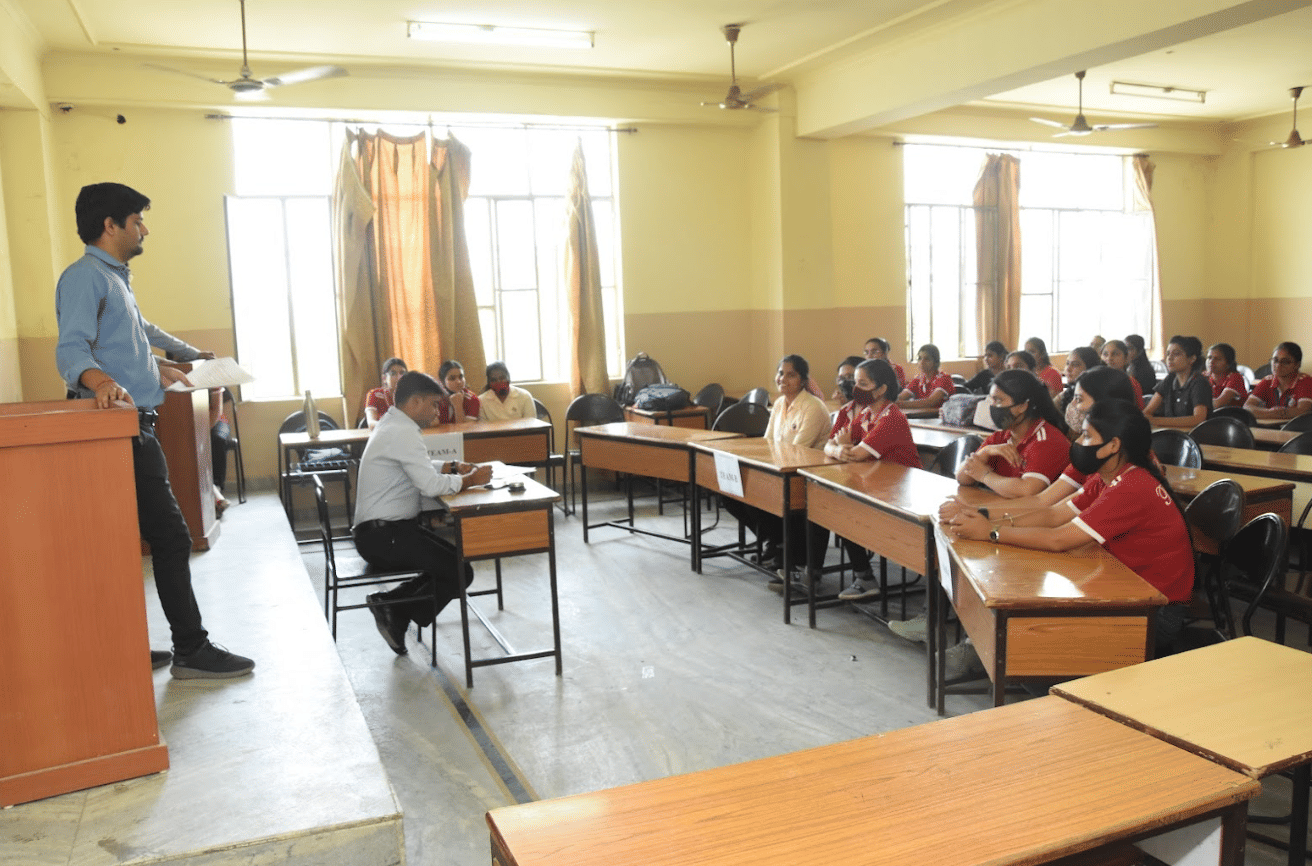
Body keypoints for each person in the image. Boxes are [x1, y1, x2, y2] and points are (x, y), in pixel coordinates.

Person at [55, 182, 254, 679]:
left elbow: (141, 336)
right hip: (114, 432)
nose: (144, 229)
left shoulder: (114, 278)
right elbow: (71, 350)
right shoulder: (85, 278)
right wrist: (102, 382)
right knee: (170, 537)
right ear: (110, 225)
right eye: (137, 220)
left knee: (128, 542)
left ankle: (124, 646)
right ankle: (191, 649)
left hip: (135, 427)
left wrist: (174, 362)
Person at [943, 399, 1195, 654]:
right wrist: (983, 518)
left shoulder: (1131, 486)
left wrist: (991, 532)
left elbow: (1059, 539)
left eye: (1087, 435)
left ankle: (989, 655)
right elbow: (1052, 515)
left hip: (1158, 614)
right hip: (1130, 589)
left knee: (1035, 634)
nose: (1078, 442)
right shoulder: (1108, 476)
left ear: (1113, 445)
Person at [351, 371, 494, 655]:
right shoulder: (401, 431)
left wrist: (451, 466)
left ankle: (393, 607)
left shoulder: (393, 424)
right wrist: (469, 481)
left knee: (457, 564)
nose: (437, 412)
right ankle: (394, 609)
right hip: (383, 538)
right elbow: (429, 485)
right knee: (459, 571)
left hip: (387, 532)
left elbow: (418, 464)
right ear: (415, 402)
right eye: (433, 404)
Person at [726, 356, 831, 592]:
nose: (783, 379)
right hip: (780, 470)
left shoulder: (813, 407)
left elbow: (797, 450)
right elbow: (768, 442)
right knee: (733, 493)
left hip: (805, 476)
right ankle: (776, 543)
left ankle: (788, 555)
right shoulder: (780, 404)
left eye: (791, 375)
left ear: (803, 380)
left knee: (764, 494)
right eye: (780, 373)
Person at [824, 359, 921, 602]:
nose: (855, 388)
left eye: (863, 384)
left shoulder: (892, 417)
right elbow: (830, 444)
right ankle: (862, 576)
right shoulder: (867, 414)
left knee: (845, 509)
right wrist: (839, 448)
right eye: (855, 383)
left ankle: (865, 578)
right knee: (835, 503)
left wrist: (843, 447)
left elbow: (857, 454)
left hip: (903, 494)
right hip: (877, 487)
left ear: (881, 389)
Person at [955, 369, 1071, 498]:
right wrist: (984, 452)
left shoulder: (1047, 440)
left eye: (999, 400)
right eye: (992, 400)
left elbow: (1027, 491)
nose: (993, 406)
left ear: (1022, 406)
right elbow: (962, 477)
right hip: (1002, 506)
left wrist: (984, 475)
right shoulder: (1001, 436)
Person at [1143, 335, 1210, 429]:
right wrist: (1148, 418)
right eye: (1168, 354)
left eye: (1176, 354)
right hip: (1171, 432)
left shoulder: (1199, 382)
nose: (1170, 358)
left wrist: (1156, 420)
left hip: (1193, 435)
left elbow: (1198, 418)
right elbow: (1148, 412)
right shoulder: (1170, 379)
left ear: (1192, 359)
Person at [1244, 342, 1312, 422]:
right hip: (1271, 426)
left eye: (1285, 362)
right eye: (1275, 360)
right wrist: (1271, 412)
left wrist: (1263, 413)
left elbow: (1303, 411)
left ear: (1297, 365)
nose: (1278, 365)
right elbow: (1247, 407)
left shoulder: (1305, 381)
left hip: (1297, 428)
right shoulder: (1268, 381)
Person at [896, 343, 954, 411]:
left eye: (927, 359)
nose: (922, 362)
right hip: (922, 416)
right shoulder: (918, 379)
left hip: (939, 417)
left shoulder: (944, 379)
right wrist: (890, 402)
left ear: (936, 362)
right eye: (919, 358)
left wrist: (898, 404)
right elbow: (901, 397)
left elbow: (930, 402)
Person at [1058, 346, 1102, 423]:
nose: (1068, 369)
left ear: (1089, 368)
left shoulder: (1094, 397)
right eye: (1067, 363)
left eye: (1075, 365)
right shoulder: (1070, 389)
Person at [1099, 339, 1145, 408]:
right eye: (1105, 354)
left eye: (1115, 354)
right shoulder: (1096, 380)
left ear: (1126, 358)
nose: (1109, 358)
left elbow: (1139, 410)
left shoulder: (1132, 383)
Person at [365, 357, 408, 428]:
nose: (399, 377)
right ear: (384, 378)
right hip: (382, 433)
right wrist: (393, 427)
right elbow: (371, 423)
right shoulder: (374, 394)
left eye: (402, 373)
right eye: (393, 373)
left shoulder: (411, 396)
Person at [435, 360, 481, 424]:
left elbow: (464, 428)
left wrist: (458, 406)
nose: (458, 382)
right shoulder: (436, 399)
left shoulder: (471, 398)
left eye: (461, 377)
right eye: (452, 378)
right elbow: (431, 426)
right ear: (442, 382)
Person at [1205, 342, 1248, 410]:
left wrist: (1199, 404)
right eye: (1209, 358)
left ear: (1228, 363)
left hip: (1231, 415)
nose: (1211, 361)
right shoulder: (1204, 377)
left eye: (1218, 359)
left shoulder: (1235, 377)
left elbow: (1218, 404)